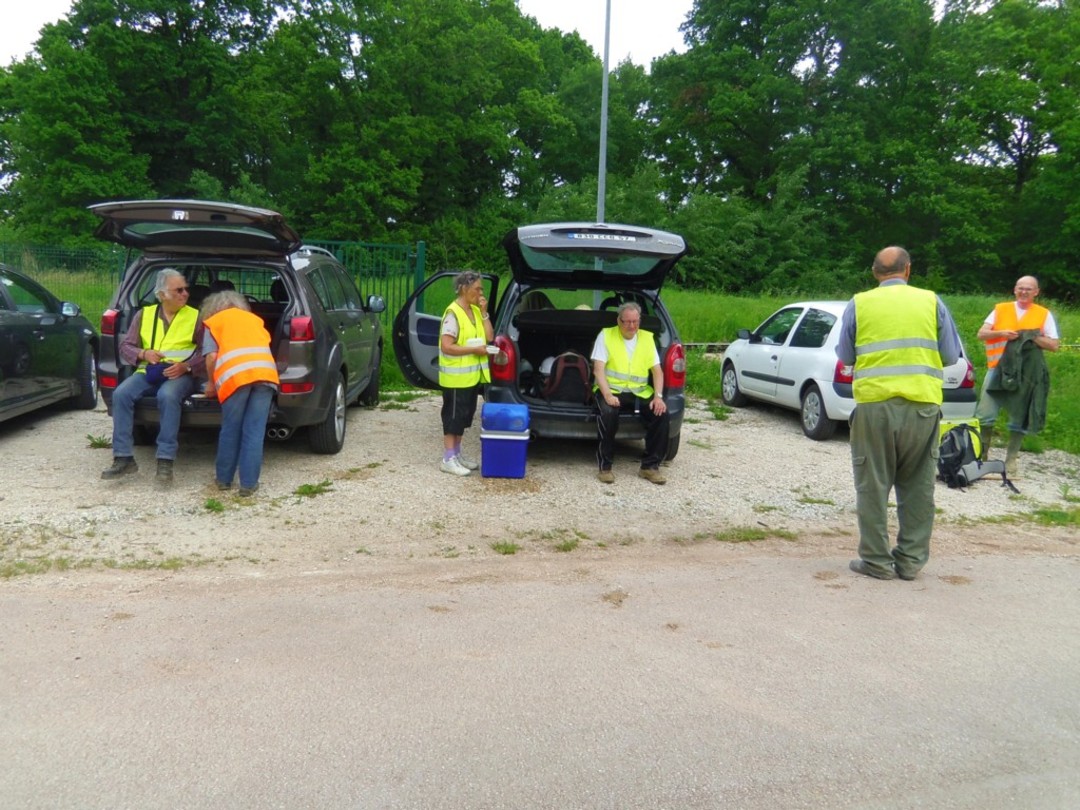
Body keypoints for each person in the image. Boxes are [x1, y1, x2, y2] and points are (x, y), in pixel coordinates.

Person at [836, 247, 962, 581]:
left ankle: (876, 562)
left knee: (873, 485)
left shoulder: (860, 303)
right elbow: (951, 355)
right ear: (907, 270)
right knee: (919, 487)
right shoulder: (932, 301)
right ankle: (910, 562)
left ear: (874, 272)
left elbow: (845, 356)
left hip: (874, 406)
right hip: (922, 406)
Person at [101, 268, 203, 484]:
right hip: (149, 372)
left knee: (167, 396)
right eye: (179, 290)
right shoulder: (144, 315)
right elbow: (125, 346)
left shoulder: (196, 317)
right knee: (121, 394)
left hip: (180, 374)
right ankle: (123, 457)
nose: (185, 294)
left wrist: (186, 367)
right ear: (162, 294)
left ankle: (165, 460)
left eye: (186, 289)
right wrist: (143, 353)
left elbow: (208, 353)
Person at [975, 275, 1059, 476]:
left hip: (1026, 374)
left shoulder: (1043, 314)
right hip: (997, 369)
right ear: (1014, 290)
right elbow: (981, 334)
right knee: (985, 414)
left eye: (1029, 289)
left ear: (1036, 292)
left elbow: (1054, 345)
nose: (1024, 292)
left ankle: (1011, 460)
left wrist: (1032, 336)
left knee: (1020, 416)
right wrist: (1001, 333)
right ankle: (982, 456)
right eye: (1020, 288)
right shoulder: (1000, 309)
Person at [199, 291, 280, 497]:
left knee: (231, 428)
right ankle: (248, 485)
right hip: (265, 374)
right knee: (254, 431)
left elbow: (211, 357)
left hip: (236, 378)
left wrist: (211, 383)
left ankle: (224, 480)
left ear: (213, 307)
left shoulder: (214, 322)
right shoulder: (255, 320)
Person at [591, 301, 669, 485]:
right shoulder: (606, 335)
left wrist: (658, 397)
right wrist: (608, 395)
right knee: (609, 413)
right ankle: (605, 467)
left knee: (661, 414)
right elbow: (598, 370)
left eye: (635, 321)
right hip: (611, 390)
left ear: (639, 321)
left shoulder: (647, 338)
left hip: (639, 392)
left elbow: (657, 372)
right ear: (619, 321)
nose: (632, 326)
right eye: (627, 321)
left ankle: (649, 467)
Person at [438, 270, 493, 476]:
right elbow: (446, 346)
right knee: (452, 419)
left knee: (463, 418)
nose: (481, 293)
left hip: (470, 378)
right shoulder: (453, 313)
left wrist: (485, 313)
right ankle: (448, 459)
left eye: (481, 289)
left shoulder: (476, 311)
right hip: (455, 378)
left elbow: (489, 336)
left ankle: (457, 454)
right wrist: (473, 350)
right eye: (477, 289)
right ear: (463, 288)